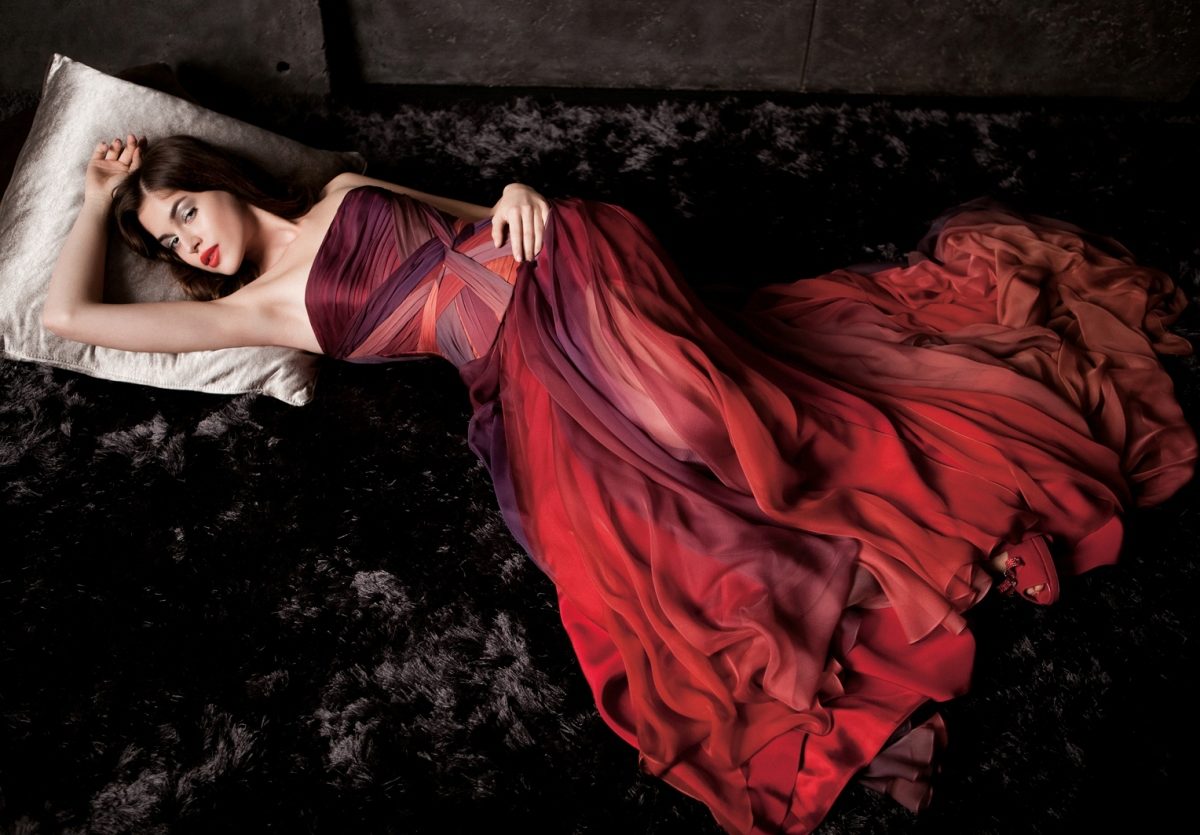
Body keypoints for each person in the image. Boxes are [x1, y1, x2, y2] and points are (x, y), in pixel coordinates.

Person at [43, 133, 1198, 834]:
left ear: (216, 179)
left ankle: (918, 507)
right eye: (169, 244)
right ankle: (897, 553)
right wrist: (101, 199)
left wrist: (517, 193)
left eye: (182, 210)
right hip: (518, 371)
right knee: (630, 536)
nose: (189, 243)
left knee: (699, 409)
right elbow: (66, 315)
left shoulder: (345, 187)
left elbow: (483, 219)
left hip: (577, 266)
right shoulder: (252, 310)